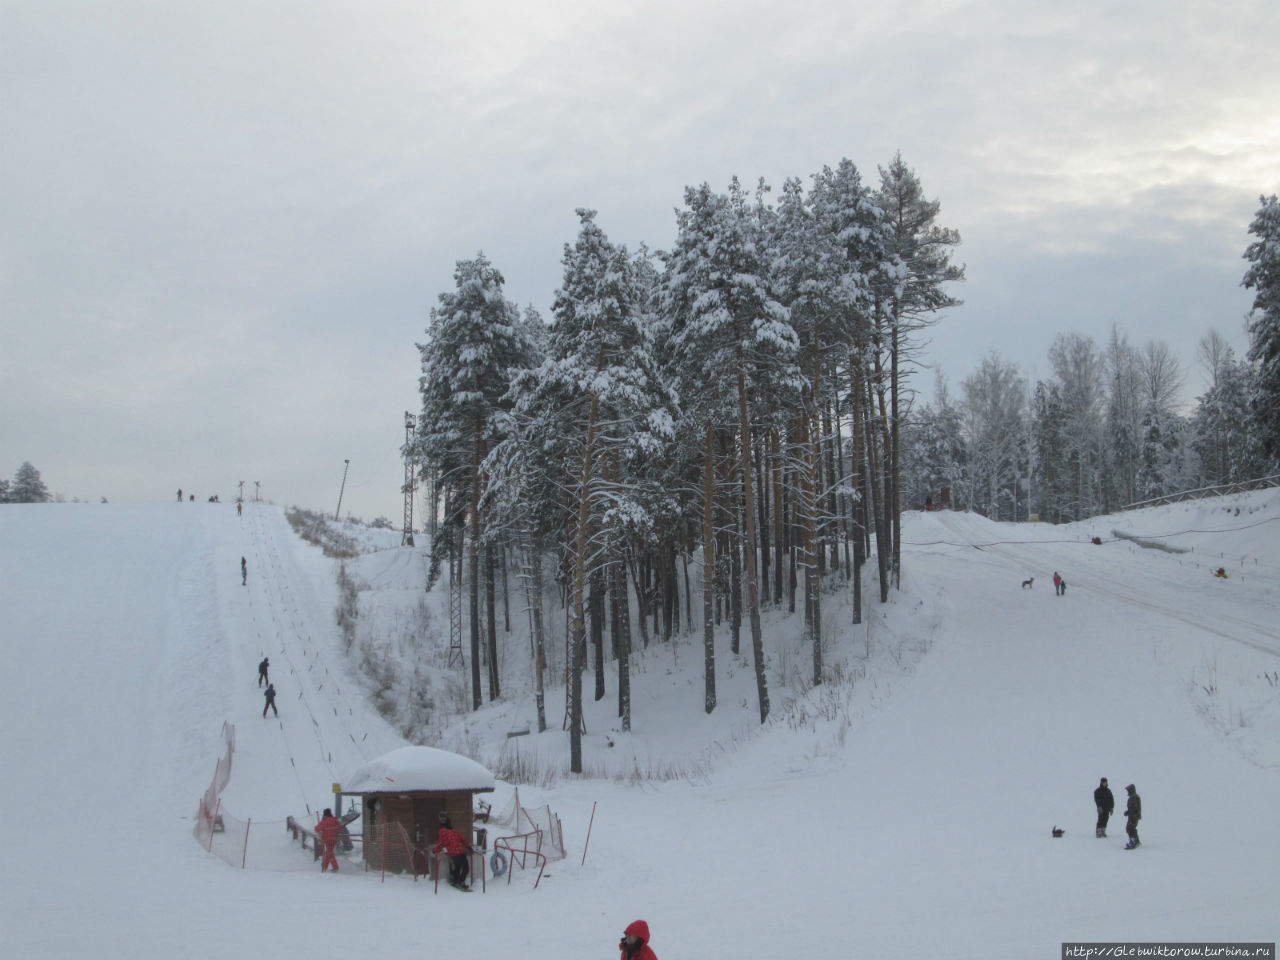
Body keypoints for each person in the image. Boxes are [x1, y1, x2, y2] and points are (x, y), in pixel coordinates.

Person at [432, 812, 470, 888]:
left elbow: (462, 839)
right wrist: (435, 850)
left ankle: (457, 880)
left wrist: (468, 846)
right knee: (463, 867)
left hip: (458, 851)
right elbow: (442, 843)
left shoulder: (452, 831)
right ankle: (459, 881)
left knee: (460, 867)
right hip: (456, 851)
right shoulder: (446, 831)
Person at [1123, 783, 1141, 849]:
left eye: (1129, 790)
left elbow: (1135, 808)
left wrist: (1134, 814)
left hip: (1134, 816)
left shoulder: (1135, 797)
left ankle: (1133, 841)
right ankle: (1136, 840)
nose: (1128, 792)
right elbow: (1131, 808)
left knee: (1130, 828)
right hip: (1132, 815)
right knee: (1131, 828)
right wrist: (1128, 812)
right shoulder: (1132, 797)